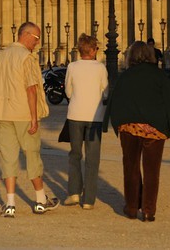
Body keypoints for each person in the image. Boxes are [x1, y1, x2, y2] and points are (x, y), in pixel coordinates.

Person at [0, 21, 57, 217]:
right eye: (36, 38)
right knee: (32, 156)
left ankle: (10, 204)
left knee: (8, 158)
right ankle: (41, 200)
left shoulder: (1, 56)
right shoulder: (26, 58)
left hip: (3, 112)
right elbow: (31, 89)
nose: (37, 43)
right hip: (23, 114)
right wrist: (34, 118)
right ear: (26, 35)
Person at [106, 40, 170, 221]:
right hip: (155, 129)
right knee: (152, 171)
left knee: (131, 168)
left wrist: (117, 124)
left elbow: (116, 102)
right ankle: (148, 210)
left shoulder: (126, 76)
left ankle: (131, 208)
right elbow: (169, 103)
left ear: (131, 56)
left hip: (129, 128)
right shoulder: (159, 76)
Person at [63, 34, 109, 209]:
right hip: (94, 118)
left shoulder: (72, 66)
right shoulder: (100, 68)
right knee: (92, 157)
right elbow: (105, 92)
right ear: (94, 50)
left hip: (75, 115)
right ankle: (88, 199)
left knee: (75, 154)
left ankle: (74, 193)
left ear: (80, 50)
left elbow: (68, 91)